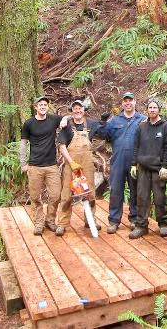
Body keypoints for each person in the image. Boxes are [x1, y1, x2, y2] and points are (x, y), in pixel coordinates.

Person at [97, 92, 146, 233]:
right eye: (125, 101)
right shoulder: (115, 120)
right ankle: (113, 220)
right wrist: (102, 122)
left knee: (135, 191)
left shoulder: (142, 120)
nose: (128, 103)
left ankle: (134, 219)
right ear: (122, 103)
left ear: (135, 102)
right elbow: (103, 135)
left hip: (135, 161)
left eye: (130, 100)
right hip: (118, 160)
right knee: (116, 190)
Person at [20, 96, 67, 235]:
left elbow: (68, 117)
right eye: (40, 105)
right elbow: (23, 144)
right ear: (36, 107)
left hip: (51, 165)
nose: (42, 107)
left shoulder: (53, 119)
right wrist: (23, 163)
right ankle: (39, 223)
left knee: (56, 195)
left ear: (47, 107)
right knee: (35, 196)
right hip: (34, 166)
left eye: (45, 105)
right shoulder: (29, 124)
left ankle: (50, 220)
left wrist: (65, 119)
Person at [55, 99, 102, 236]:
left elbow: (104, 129)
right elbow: (62, 146)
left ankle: (90, 220)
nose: (78, 111)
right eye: (75, 108)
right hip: (71, 163)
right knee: (66, 195)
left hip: (87, 164)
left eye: (80, 108)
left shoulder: (91, 124)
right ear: (72, 111)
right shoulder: (67, 126)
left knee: (90, 192)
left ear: (83, 110)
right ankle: (62, 223)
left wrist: (104, 121)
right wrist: (71, 162)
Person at [129, 98, 167, 239]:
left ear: (159, 109)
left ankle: (164, 224)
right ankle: (141, 225)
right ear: (147, 109)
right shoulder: (141, 126)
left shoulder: (165, 126)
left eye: (155, 107)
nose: (152, 110)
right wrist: (134, 164)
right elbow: (136, 147)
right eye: (150, 107)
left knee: (160, 197)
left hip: (158, 169)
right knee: (142, 197)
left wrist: (165, 166)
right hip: (143, 168)